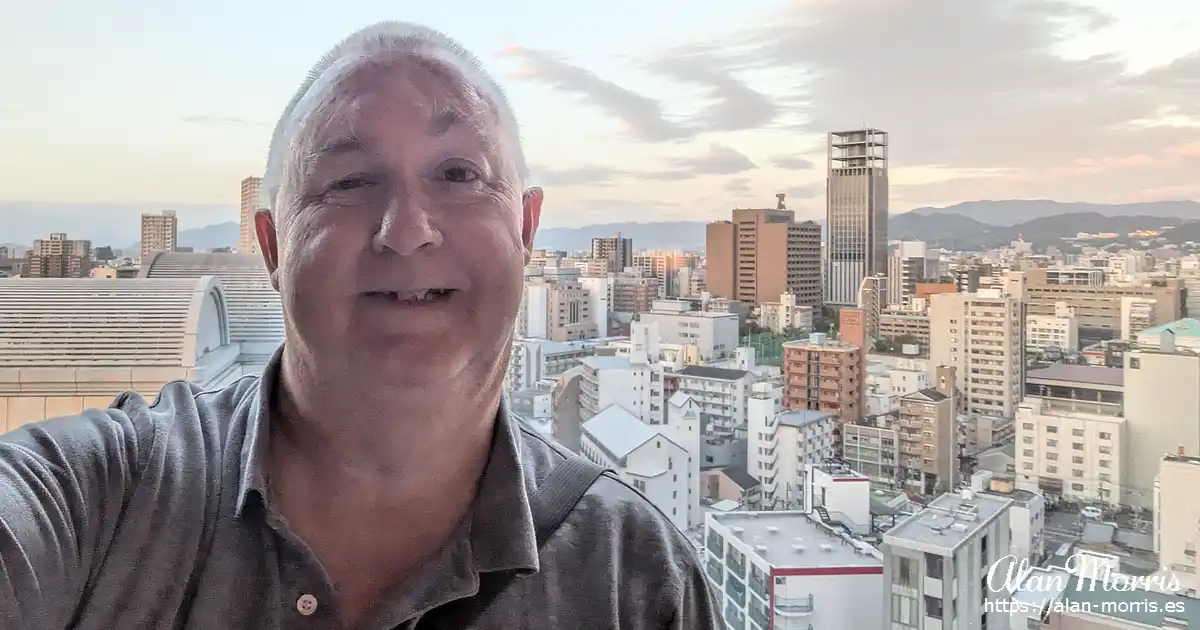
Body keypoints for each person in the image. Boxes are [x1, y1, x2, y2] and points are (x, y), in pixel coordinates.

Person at [0, 21, 722, 630]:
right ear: (274, 246)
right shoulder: (99, 499)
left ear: (526, 229)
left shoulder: (635, 579)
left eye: (459, 174)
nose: (406, 231)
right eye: (349, 181)